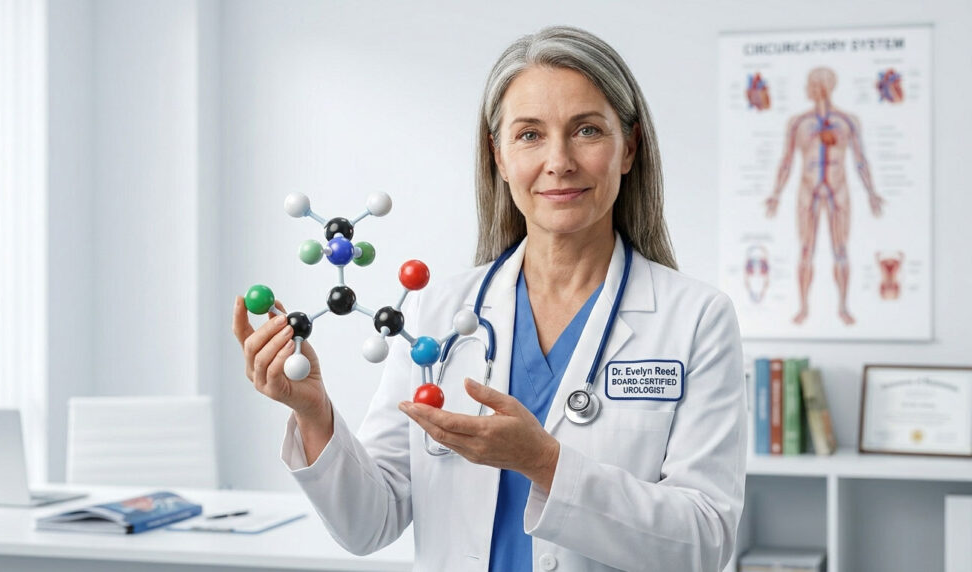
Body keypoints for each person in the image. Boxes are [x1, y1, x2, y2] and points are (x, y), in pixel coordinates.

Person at [233, 26, 746, 572]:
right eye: (529, 135)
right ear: (498, 156)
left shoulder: (696, 320)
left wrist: (544, 464)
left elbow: (705, 542)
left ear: (630, 148)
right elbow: (369, 523)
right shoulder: (436, 313)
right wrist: (314, 414)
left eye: (587, 130)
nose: (559, 161)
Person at [764, 67, 885, 326]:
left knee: (840, 249)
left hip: (838, 187)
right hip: (808, 189)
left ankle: (842, 306)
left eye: (811, 84)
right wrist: (775, 193)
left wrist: (871, 192)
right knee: (806, 249)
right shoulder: (798, 122)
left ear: (823, 87)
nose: (808, 89)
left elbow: (860, 160)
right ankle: (804, 307)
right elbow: (786, 161)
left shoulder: (848, 121)